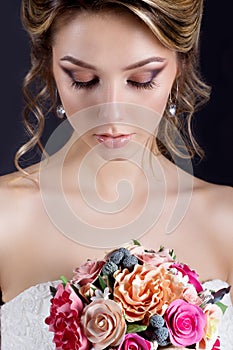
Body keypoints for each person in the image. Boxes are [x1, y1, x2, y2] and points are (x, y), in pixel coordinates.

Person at [0, 0, 232, 349]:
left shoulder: (225, 220)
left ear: (179, 67)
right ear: (50, 66)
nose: (111, 112)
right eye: (83, 79)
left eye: (141, 80)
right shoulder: (6, 216)